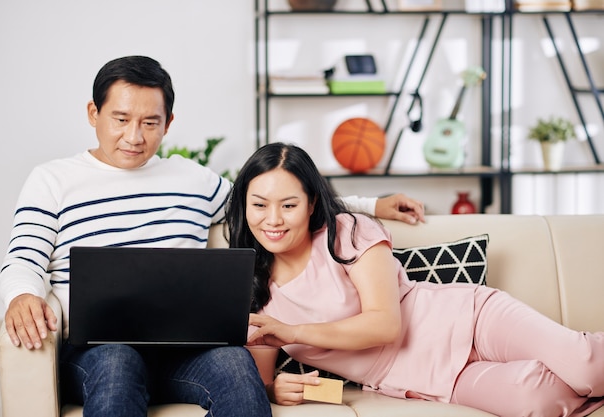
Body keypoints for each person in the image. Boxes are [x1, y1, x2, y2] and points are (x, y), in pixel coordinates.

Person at [0, 56, 424, 417]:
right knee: (116, 362)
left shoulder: (191, 178)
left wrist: (370, 204)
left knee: (236, 366)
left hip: (185, 346)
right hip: (96, 349)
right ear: (94, 113)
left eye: (151, 122)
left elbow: (269, 200)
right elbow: (23, 258)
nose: (135, 136)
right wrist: (21, 294)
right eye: (121, 119)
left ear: (169, 122)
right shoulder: (52, 180)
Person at [225, 142, 604, 417]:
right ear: (244, 206)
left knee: (587, 367)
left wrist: (292, 332)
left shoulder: (347, 232)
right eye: (259, 205)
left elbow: (384, 325)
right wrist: (278, 389)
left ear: (310, 204)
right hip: (428, 379)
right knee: (537, 402)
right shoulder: (251, 287)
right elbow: (260, 378)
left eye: (288, 205)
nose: (272, 219)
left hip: (468, 320)